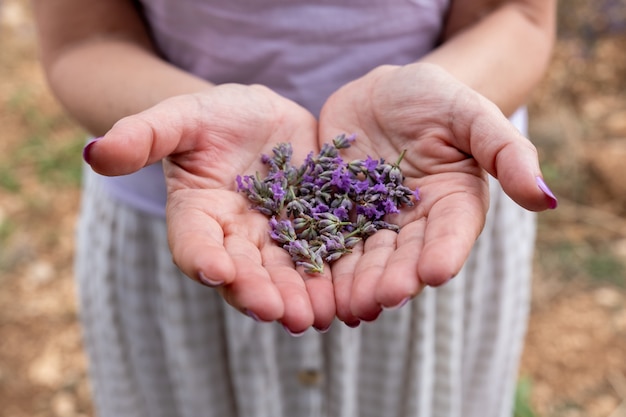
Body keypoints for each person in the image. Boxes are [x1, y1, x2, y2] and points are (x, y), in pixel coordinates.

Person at [32, 1, 558, 416]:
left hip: (430, 206)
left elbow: (514, 13)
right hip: (189, 213)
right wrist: (183, 122)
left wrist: (448, 99)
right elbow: (86, 36)